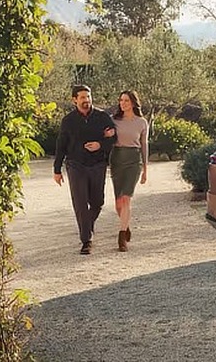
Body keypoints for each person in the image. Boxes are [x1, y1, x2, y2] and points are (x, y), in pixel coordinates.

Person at [54, 85, 116, 255]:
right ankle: (86, 241)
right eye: (82, 97)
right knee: (80, 203)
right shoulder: (68, 121)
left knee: (98, 202)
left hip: (97, 164)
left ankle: (87, 226)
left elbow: (114, 137)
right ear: (74, 100)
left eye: (88, 97)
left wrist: (100, 145)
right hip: (76, 165)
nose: (86, 100)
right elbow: (61, 145)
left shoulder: (103, 117)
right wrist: (57, 169)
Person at [108, 90, 149, 252]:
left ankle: (121, 236)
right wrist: (107, 135)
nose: (122, 103)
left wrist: (145, 168)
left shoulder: (142, 122)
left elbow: (144, 145)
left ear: (133, 102)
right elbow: (106, 138)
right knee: (118, 203)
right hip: (117, 160)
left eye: (126, 100)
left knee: (126, 198)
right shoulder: (113, 120)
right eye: (121, 100)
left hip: (134, 161)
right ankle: (126, 224)